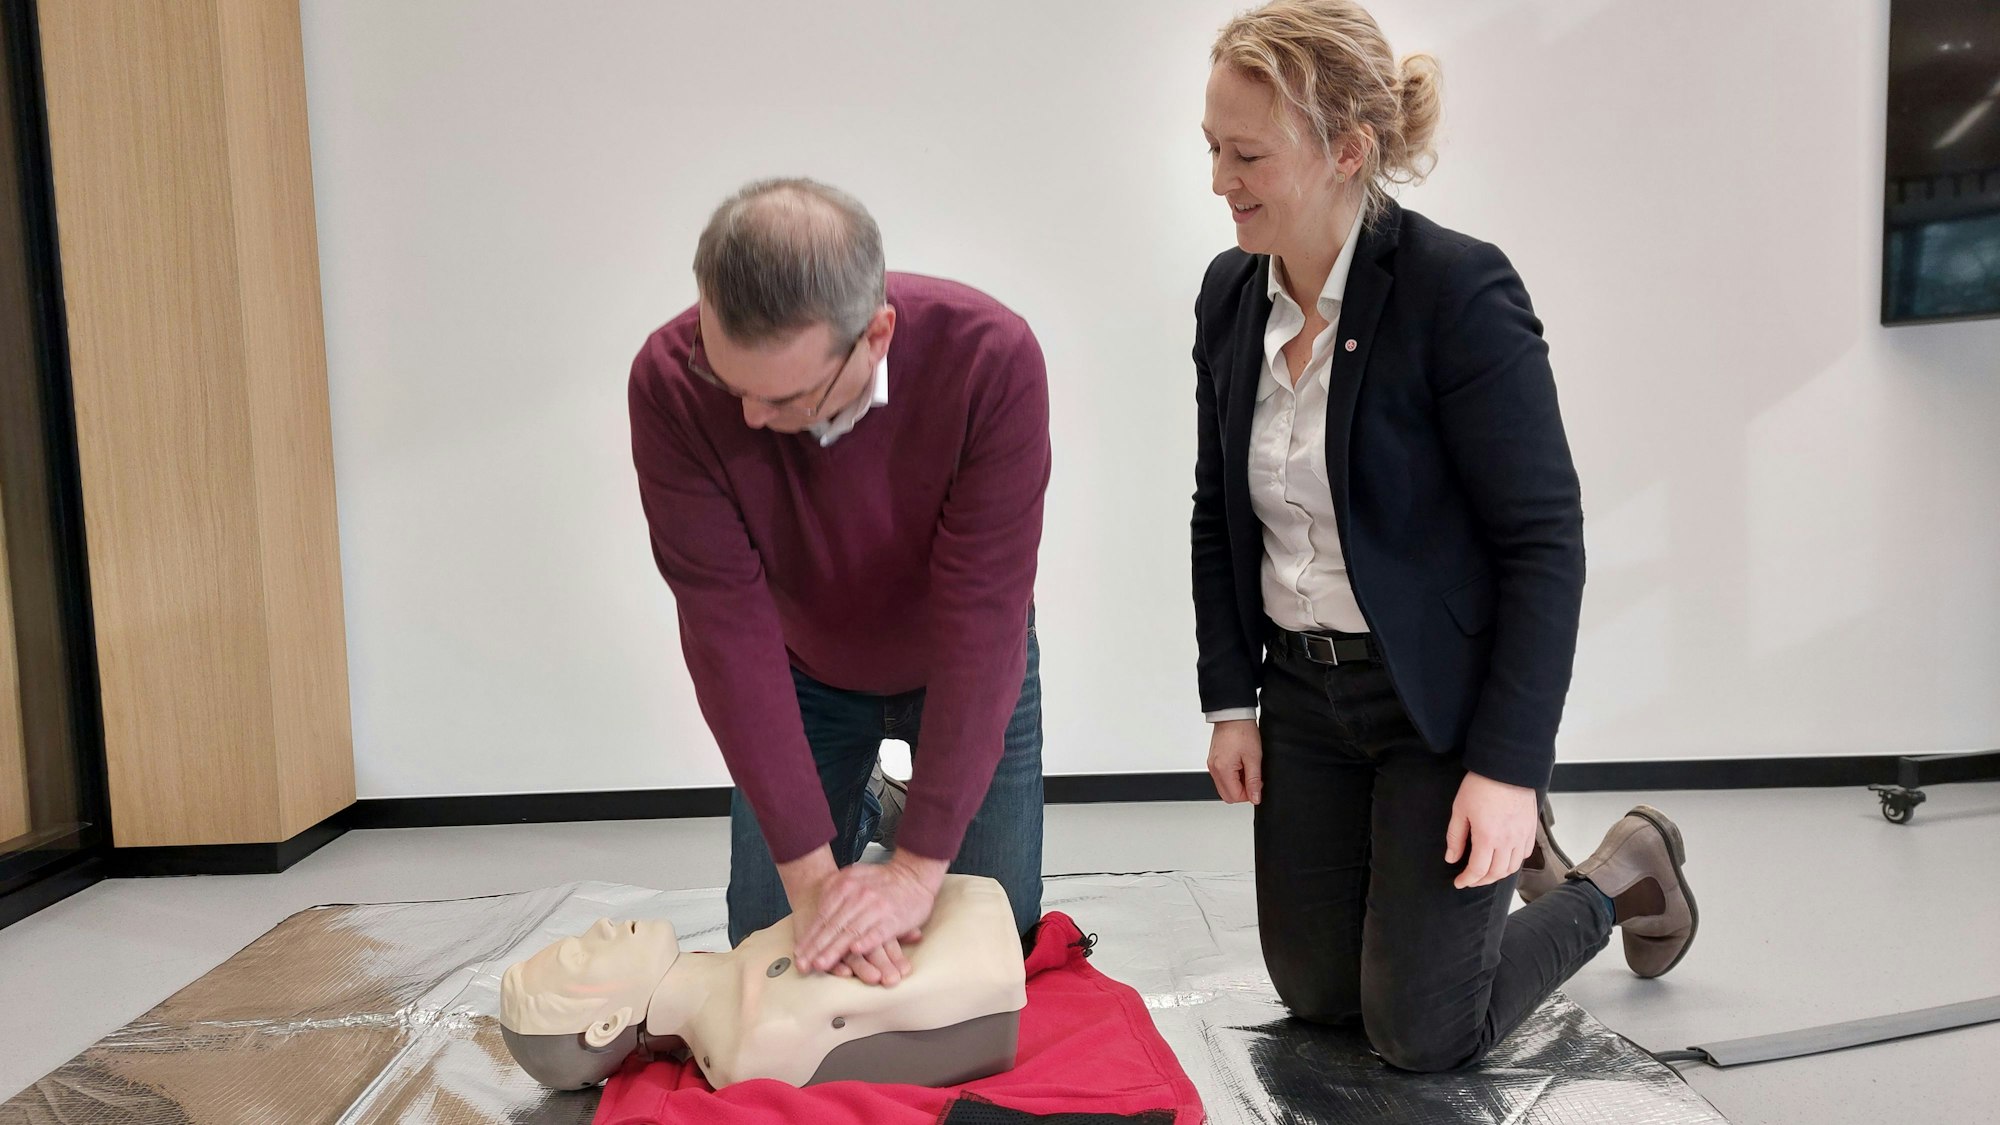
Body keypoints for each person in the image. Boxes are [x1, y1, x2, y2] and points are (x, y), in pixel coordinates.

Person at [1189, 0, 1698, 1072]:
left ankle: (1617, 871)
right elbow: (1216, 510)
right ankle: (1485, 875)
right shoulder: (1229, 295)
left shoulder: (1454, 289)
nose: (1218, 181)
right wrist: (1230, 701)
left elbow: (1540, 543)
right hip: (1303, 700)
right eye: (1210, 149)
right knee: (1317, 997)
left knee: (1421, 1034)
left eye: (1244, 154)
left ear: (1346, 150)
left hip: (1434, 712)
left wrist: (1505, 769)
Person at [628, 179, 1050, 987]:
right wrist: (815, 881)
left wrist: (918, 868)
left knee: (997, 944)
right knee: (773, 942)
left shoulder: (991, 361)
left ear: (876, 334)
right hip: (802, 670)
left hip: (957, 660)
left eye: (782, 395)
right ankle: (865, 803)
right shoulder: (673, 382)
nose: (748, 418)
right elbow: (726, 629)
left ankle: (900, 808)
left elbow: (982, 620)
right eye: (732, 384)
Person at [499, 875, 1027, 1090]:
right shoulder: (745, 1046)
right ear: (606, 1025)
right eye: (579, 957)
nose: (601, 926)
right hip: (986, 954)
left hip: (968, 909)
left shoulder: (740, 971)